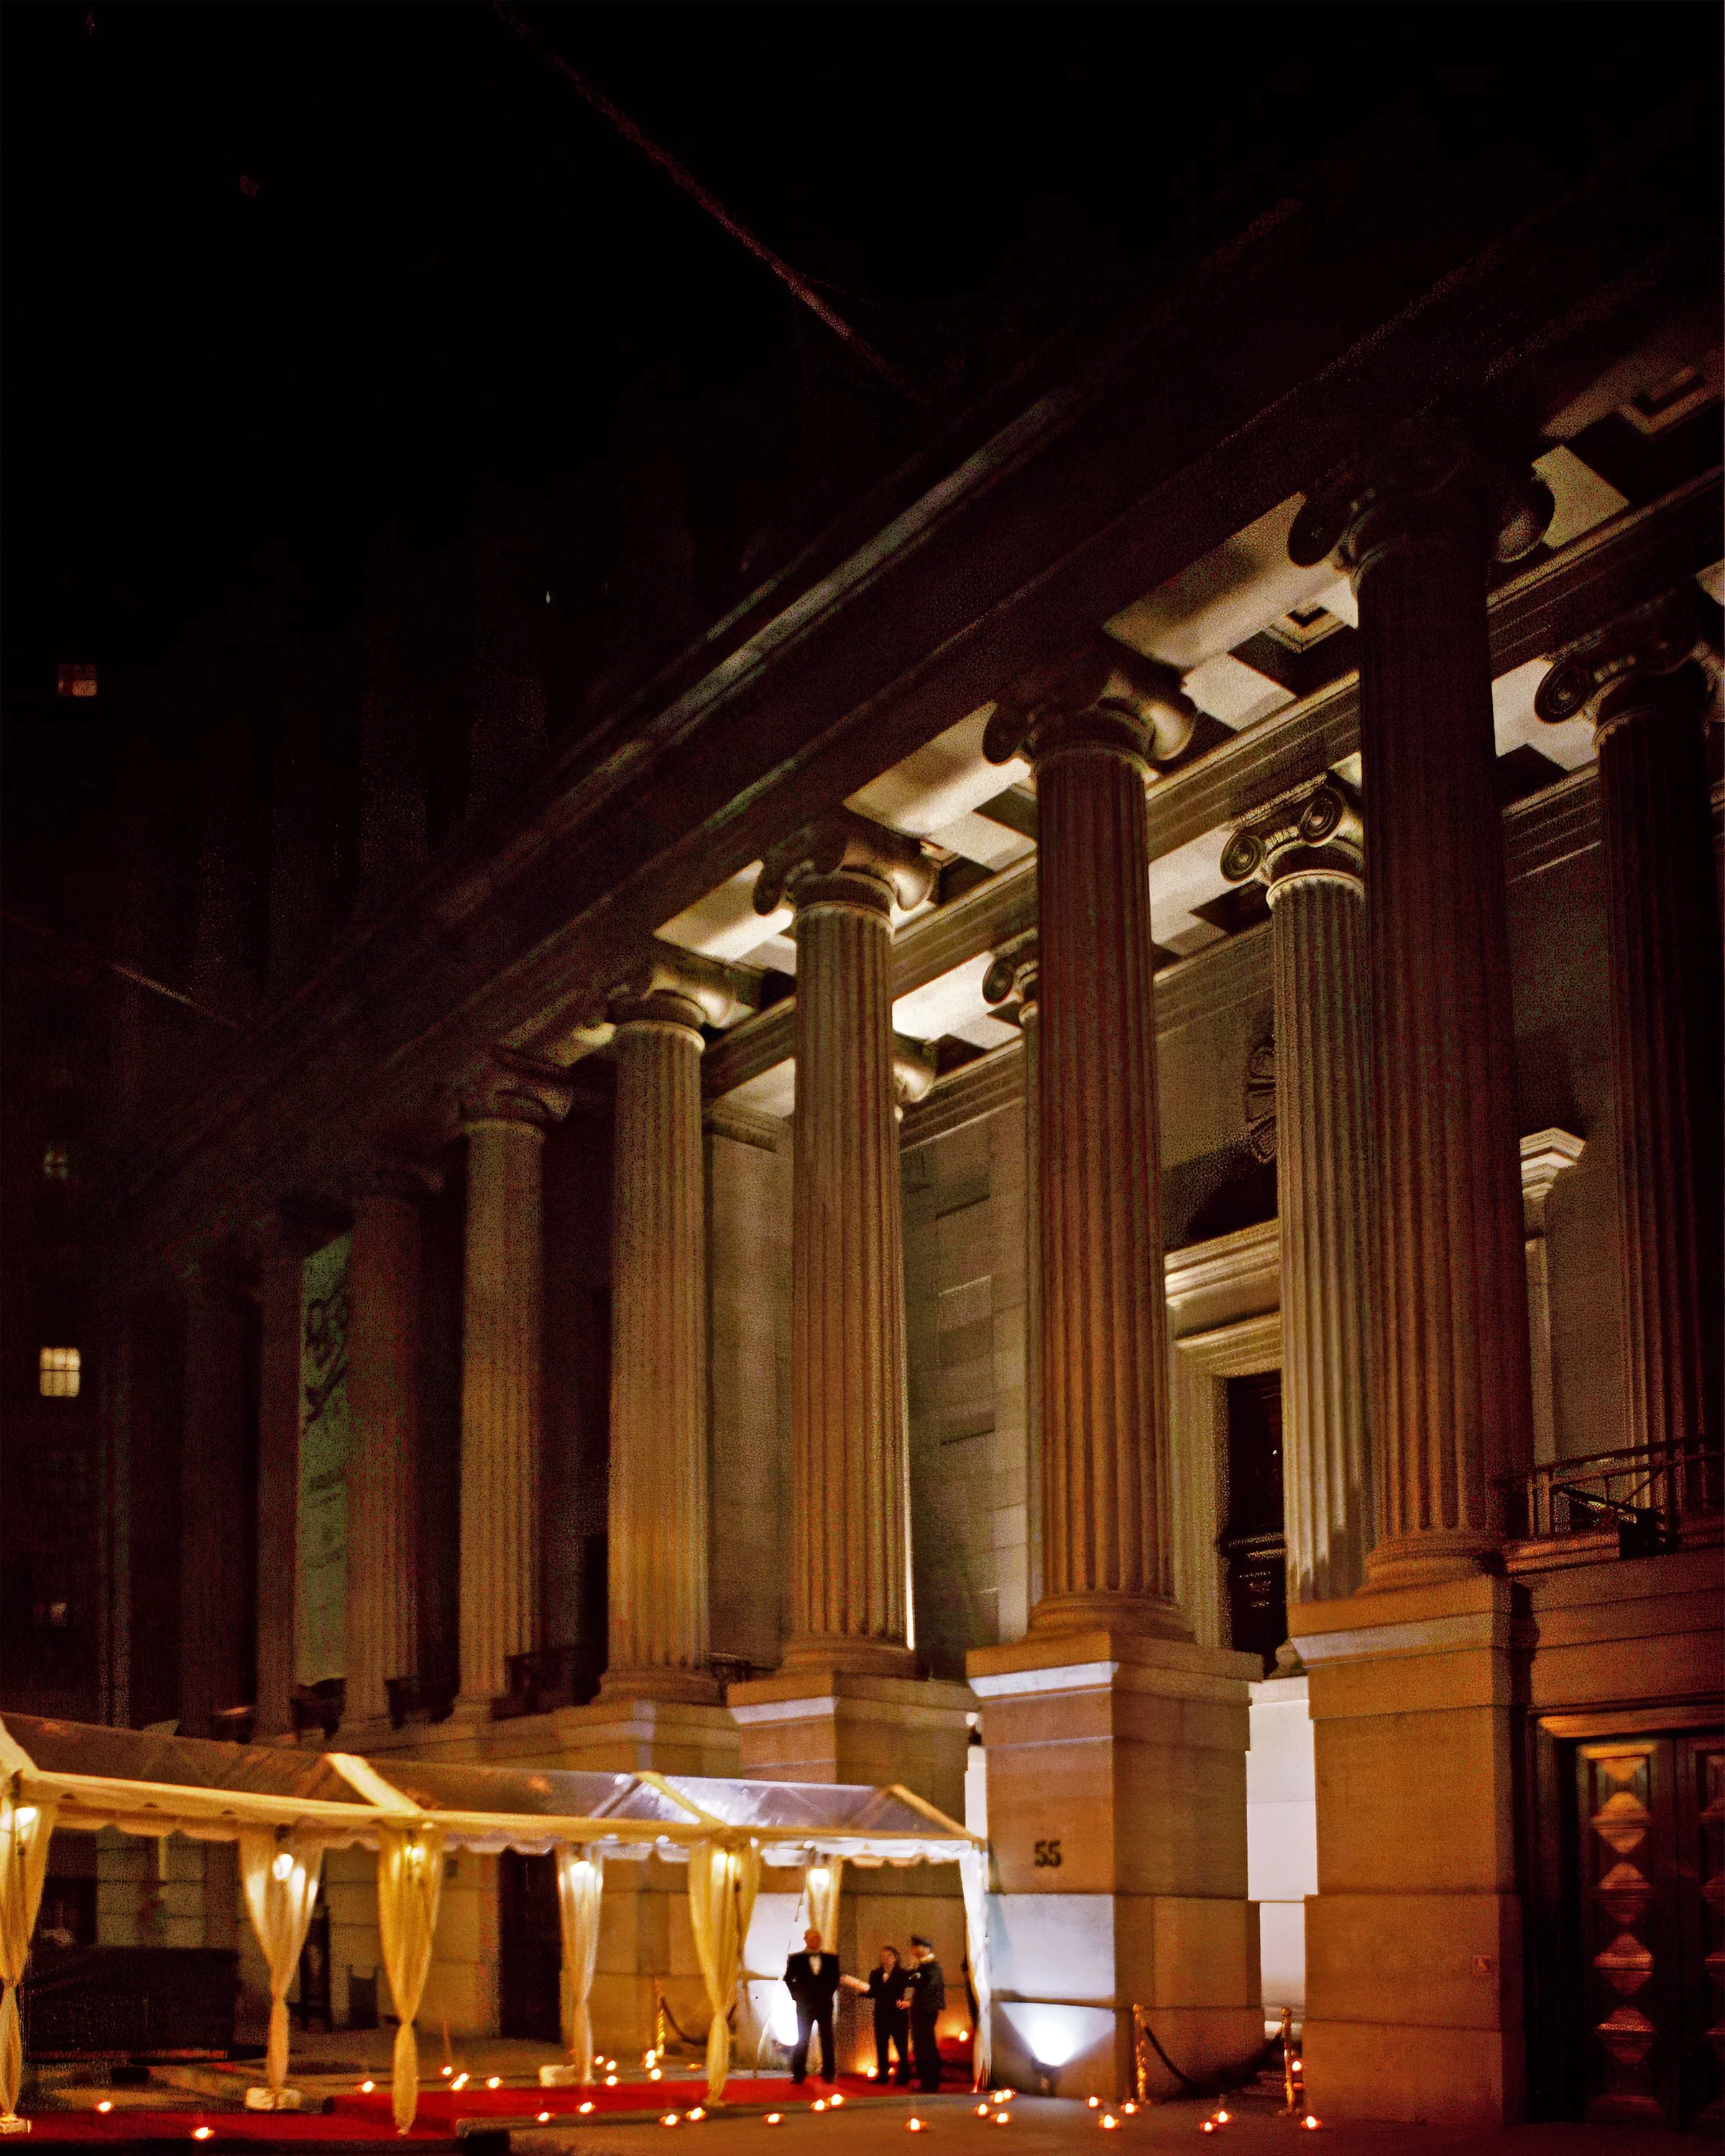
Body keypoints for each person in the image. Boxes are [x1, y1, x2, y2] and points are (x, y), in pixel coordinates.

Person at [842, 1944, 910, 2085]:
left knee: (901, 2046)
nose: (885, 1959)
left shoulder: (902, 1974)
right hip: (881, 2013)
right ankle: (883, 2075)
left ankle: (904, 2075)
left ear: (895, 1958)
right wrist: (860, 1989)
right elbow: (873, 1992)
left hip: (898, 2014)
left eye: (889, 1956)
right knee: (881, 2045)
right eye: (883, 1957)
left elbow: (901, 1989)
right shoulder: (876, 1973)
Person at [783, 1925, 842, 2085]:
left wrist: (828, 1993)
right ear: (806, 1939)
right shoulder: (795, 1959)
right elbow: (788, 1979)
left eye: (818, 1938)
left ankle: (829, 2073)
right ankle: (799, 2073)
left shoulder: (831, 1959)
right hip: (804, 2005)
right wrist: (797, 1997)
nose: (816, 1941)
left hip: (825, 2004)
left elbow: (836, 1979)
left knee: (827, 2038)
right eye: (813, 1938)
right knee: (803, 2039)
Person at [899, 1935, 946, 2093]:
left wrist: (914, 1973)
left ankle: (931, 2081)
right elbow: (910, 1980)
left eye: (916, 1946)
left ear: (925, 1948)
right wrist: (913, 1970)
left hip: (927, 2011)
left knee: (926, 2045)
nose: (913, 1950)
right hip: (920, 2010)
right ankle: (925, 2080)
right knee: (920, 2044)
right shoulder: (923, 1967)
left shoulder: (932, 1967)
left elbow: (925, 1985)